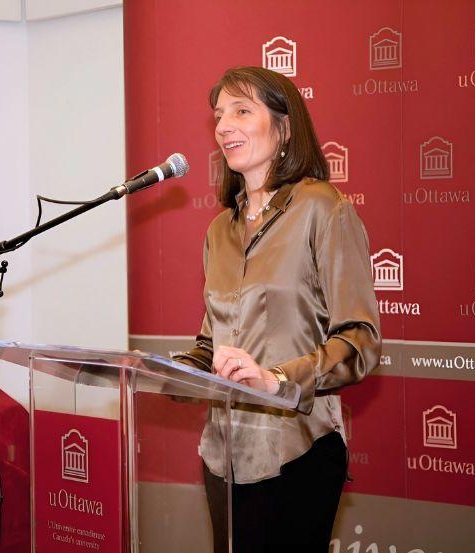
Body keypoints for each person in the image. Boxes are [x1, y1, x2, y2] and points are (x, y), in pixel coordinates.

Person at [172, 66, 382, 552]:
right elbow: (212, 342)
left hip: (298, 452)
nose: (224, 126)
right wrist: (171, 373)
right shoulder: (218, 232)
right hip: (223, 456)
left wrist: (277, 380)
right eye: (219, 115)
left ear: (285, 128)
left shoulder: (324, 209)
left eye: (242, 111)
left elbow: (360, 341)